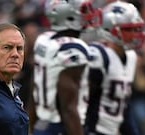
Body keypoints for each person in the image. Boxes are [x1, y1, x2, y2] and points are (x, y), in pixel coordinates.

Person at [31, 0, 102, 135]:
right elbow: (69, 108)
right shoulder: (73, 49)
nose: (89, 14)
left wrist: (29, 126)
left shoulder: (44, 40)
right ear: (68, 16)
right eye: (84, 10)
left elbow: (34, 88)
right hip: (62, 127)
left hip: (43, 124)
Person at [79, 1, 145, 135]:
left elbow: (124, 106)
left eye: (137, 28)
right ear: (110, 29)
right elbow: (83, 102)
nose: (135, 34)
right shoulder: (99, 55)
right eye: (128, 29)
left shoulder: (131, 57)